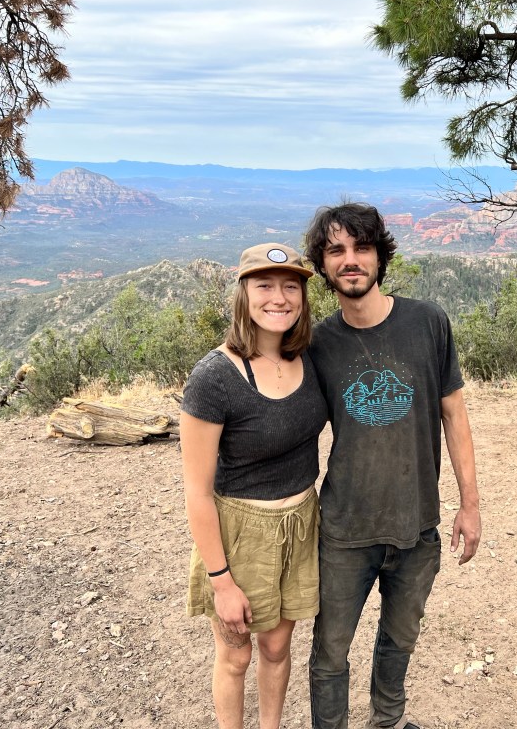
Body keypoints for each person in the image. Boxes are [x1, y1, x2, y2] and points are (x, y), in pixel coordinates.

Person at [303, 203, 482, 729]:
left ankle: (388, 721)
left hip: (416, 525)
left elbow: (455, 414)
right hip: (344, 530)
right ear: (323, 264)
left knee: (399, 641)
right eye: (336, 250)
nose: (350, 260)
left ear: (380, 256)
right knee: (330, 653)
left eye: (362, 248)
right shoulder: (317, 344)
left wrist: (470, 505)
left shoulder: (428, 323)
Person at [180, 242, 328, 729]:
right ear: (243, 295)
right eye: (264, 285)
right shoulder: (214, 377)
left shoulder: (311, 357)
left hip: (301, 523)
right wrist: (221, 581)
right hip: (242, 532)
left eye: (291, 287)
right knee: (236, 654)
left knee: (277, 647)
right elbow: (197, 492)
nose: (279, 298)